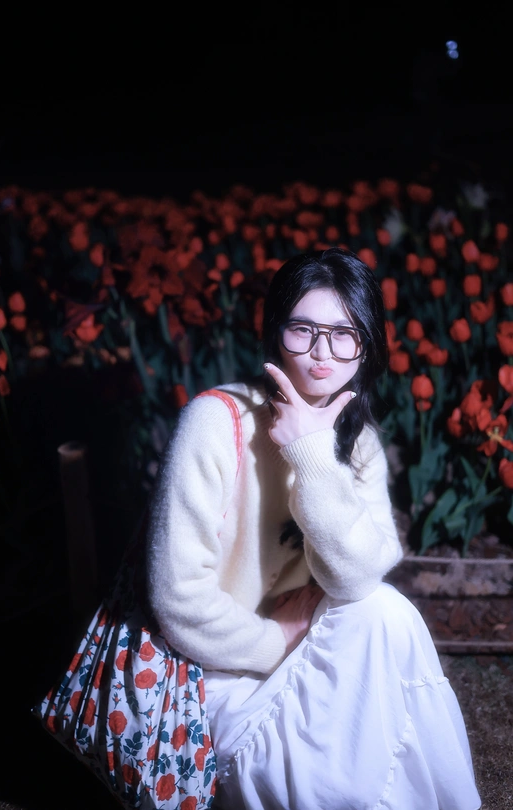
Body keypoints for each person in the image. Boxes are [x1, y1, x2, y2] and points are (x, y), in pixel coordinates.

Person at [146, 247, 481, 810]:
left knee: (386, 612)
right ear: (276, 333)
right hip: (220, 675)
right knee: (351, 781)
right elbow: (176, 598)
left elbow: (356, 580)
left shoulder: (359, 441)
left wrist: (312, 454)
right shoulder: (215, 421)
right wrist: (274, 639)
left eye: (344, 334)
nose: (323, 353)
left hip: (310, 648)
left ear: (367, 344)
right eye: (303, 330)